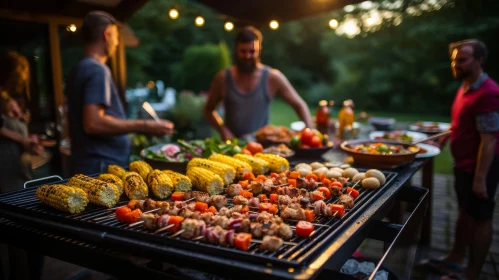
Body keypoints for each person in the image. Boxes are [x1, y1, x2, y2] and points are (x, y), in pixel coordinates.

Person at [424, 39, 499, 280]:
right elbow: (462, 124)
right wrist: (444, 139)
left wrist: (480, 180)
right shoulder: (466, 86)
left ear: (479, 60)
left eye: (462, 59)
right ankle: (455, 259)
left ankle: (472, 274)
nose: (456, 64)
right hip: (464, 164)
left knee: (480, 218)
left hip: (480, 168)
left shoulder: (488, 93)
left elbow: (489, 140)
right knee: (465, 211)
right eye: (454, 60)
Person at [66, 11, 174, 175]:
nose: (116, 43)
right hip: (101, 165)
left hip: (89, 161)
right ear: (106, 35)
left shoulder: (78, 68)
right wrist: (145, 126)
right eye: (116, 36)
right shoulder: (97, 70)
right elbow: (93, 123)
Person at [203, 26, 313, 141]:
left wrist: (311, 133)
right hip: (232, 145)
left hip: (262, 146)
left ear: (259, 49)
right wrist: (223, 130)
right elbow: (208, 110)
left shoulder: (272, 77)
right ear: (236, 49)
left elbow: (299, 105)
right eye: (243, 51)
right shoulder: (223, 78)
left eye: (252, 51)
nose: (247, 56)